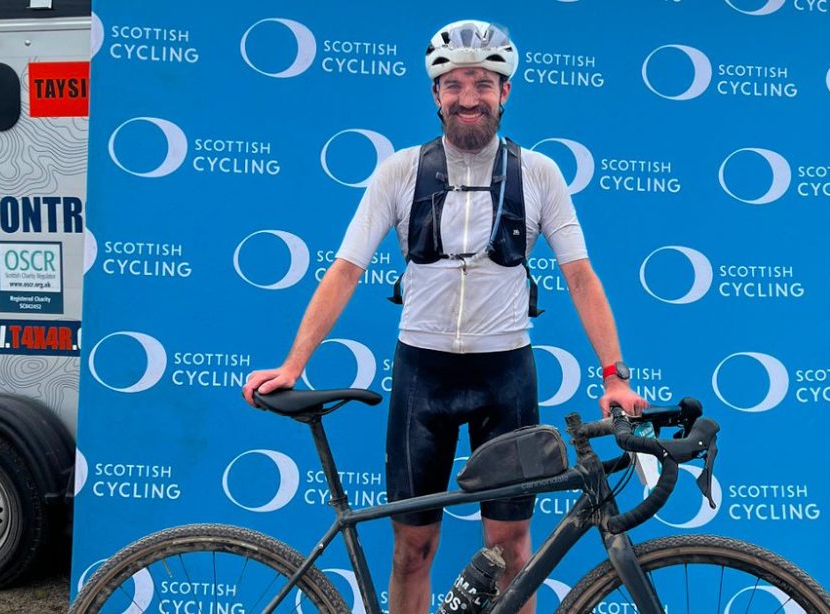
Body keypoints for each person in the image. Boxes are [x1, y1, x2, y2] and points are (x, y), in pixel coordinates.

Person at [242, 19, 646, 614]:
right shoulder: (400, 171)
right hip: (422, 377)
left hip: (505, 376)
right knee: (412, 550)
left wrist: (614, 375)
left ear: (504, 92)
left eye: (482, 83)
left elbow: (581, 277)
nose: (468, 97)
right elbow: (345, 270)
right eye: (454, 84)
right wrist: (292, 365)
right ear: (436, 94)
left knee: (511, 550)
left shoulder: (539, 174)